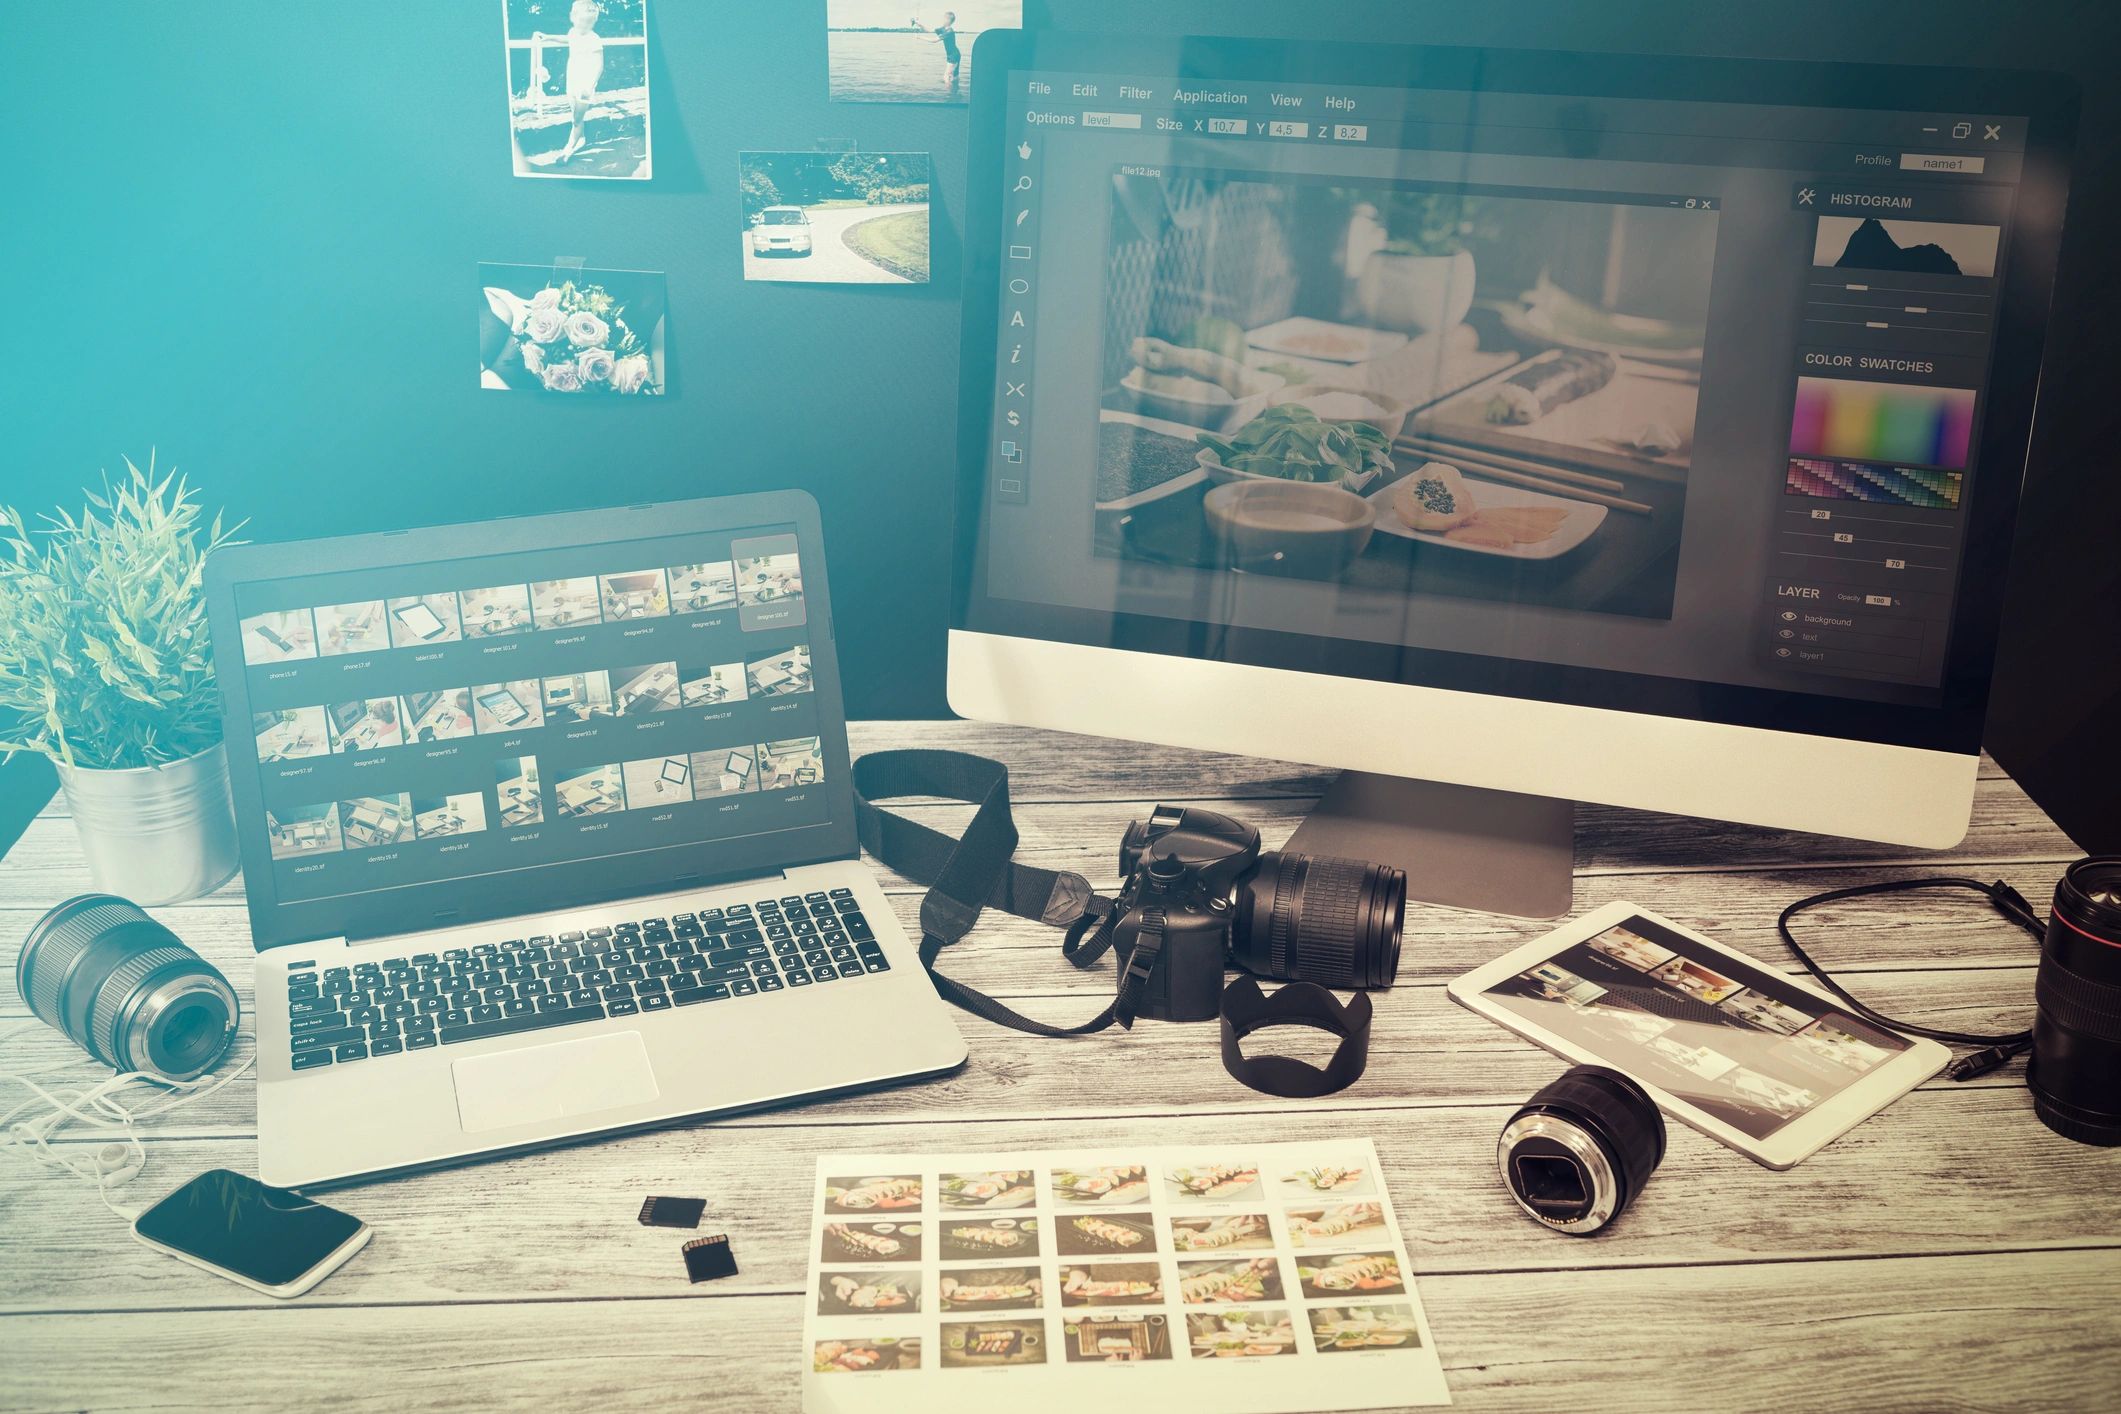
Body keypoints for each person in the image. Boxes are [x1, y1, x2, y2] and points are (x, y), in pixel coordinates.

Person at [535, 0, 606, 165]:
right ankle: (580, 139)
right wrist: (548, 37)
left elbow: (599, 66)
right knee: (576, 117)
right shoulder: (573, 32)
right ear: (573, 18)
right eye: (583, 21)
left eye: (590, 22)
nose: (586, 25)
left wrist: (590, 86)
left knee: (576, 118)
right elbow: (567, 39)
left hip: (585, 86)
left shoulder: (594, 38)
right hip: (572, 81)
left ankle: (567, 150)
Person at [916, 11, 961, 89]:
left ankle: (949, 96)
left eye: (943, 19)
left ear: (948, 20)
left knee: (946, 77)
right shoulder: (943, 29)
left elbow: (934, 40)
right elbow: (929, 30)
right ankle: (955, 91)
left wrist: (920, 37)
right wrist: (920, 25)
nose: (942, 20)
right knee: (954, 77)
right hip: (955, 54)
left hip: (953, 56)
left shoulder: (949, 32)